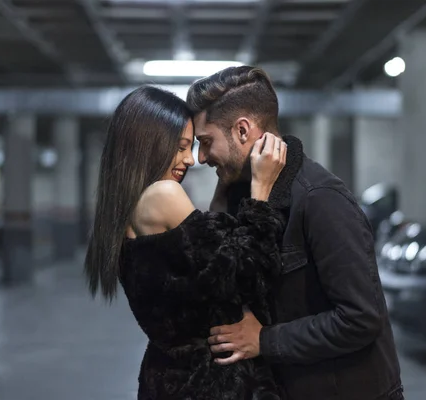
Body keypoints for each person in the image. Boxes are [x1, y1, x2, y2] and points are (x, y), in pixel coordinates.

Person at [186, 66, 404, 400]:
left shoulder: (320, 199)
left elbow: (361, 318)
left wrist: (264, 340)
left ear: (242, 131)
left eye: (205, 142)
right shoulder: (243, 195)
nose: (200, 158)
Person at [84, 85, 289, 399]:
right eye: (180, 147)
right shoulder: (162, 194)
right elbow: (248, 273)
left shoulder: (125, 210)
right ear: (149, 146)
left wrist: (221, 195)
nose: (190, 159)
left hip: (166, 378)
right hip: (209, 385)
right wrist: (260, 192)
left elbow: (203, 262)